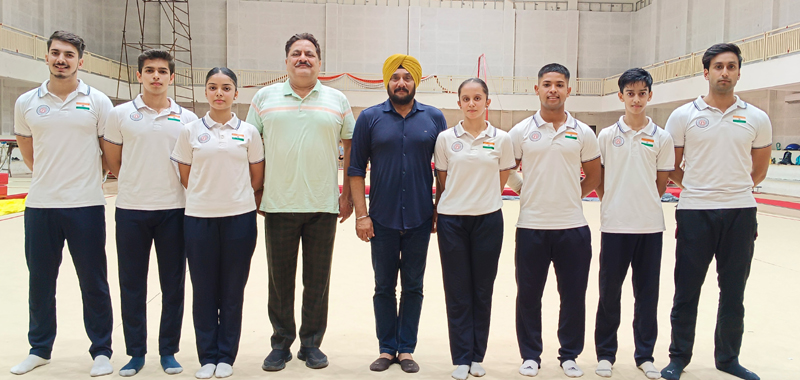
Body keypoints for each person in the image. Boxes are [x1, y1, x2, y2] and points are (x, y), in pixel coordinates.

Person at [661, 43, 771, 380]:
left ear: (739, 72)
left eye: (731, 66)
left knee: (734, 291)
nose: (725, 72)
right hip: (696, 211)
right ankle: (678, 357)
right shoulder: (683, 116)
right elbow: (671, 166)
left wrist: (732, 188)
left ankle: (728, 358)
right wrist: (698, 185)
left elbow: (760, 170)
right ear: (706, 72)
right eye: (718, 67)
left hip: (740, 212)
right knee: (687, 289)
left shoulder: (757, 117)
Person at [246, 33, 355, 371]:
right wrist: (257, 191)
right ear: (286, 61)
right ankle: (281, 343)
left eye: (309, 53)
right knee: (280, 281)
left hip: (323, 205)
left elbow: (351, 145)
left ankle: (311, 344)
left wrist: (347, 195)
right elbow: (251, 146)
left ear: (320, 62)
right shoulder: (264, 98)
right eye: (296, 53)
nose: (303, 58)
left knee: (317, 280)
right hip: (278, 205)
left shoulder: (337, 100)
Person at [11, 30, 115, 377]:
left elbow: (107, 152)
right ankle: (39, 349)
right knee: (40, 281)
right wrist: (52, 178)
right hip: (41, 207)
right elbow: (29, 152)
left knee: (93, 281)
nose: (61, 59)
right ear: (47, 57)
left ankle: (101, 350)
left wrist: (82, 177)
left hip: (85, 205)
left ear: (80, 61)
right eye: (56, 53)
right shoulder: (27, 102)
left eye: (69, 55)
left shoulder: (98, 101)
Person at [349, 54, 447, 373]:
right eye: (395, 77)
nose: (401, 82)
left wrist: (437, 209)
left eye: (407, 77)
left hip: (420, 219)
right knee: (383, 287)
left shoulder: (434, 118)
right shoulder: (369, 118)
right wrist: (362, 215)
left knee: (414, 287)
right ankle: (387, 347)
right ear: (386, 81)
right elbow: (354, 169)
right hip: (382, 220)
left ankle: (406, 349)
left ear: (416, 82)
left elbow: (444, 171)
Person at [103, 49, 198, 377]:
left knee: (173, 285)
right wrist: (135, 182)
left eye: (162, 71)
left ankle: (168, 351)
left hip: (175, 210)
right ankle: (135, 353)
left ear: (172, 77)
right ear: (139, 75)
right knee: (132, 284)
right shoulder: (121, 115)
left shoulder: (187, 119)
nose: (156, 76)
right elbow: (113, 162)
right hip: (131, 211)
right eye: (149, 71)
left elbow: (191, 164)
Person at [170, 67, 265, 379]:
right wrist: (206, 196)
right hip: (199, 219)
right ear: (205, 93)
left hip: (239, 219)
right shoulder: (190, 131)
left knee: (232, 290)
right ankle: (207, 356)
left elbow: (256, 178)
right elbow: (186, 175)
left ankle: (226, 356)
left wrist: (233, 198)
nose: (219, 94)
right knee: (205, 290)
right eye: (213, 88)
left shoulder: (249, 132)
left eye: (226, 88)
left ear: (236, 94)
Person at [508, 63, 601, 378]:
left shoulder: (583, 132)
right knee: (529, 295)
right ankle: (531, 355)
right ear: (537, 89)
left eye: (559, 84)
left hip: (572, 227)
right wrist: (524, 189)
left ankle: (569, 355)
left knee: (573, 295)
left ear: (568, 90)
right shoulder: (520, 131)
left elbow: (594, 174)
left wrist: (573, 196)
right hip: (532, 226)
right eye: (547, 84)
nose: (553, 90)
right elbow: (507, 166)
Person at [593, 68, 674, 379]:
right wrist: (615, 201)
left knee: (647, 294)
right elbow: (599, 181)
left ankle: (645, 355)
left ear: (650, 96)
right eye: (631, 93)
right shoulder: (605, 136)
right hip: (614, 227)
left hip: (650, 228)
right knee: (609, 293)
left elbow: (661, 184)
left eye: (642, 93)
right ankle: (605, 354)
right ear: (621, 96)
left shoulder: (662, 137)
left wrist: (641, 204)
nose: (636, 99)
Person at [433, 78, 515, 380]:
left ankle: (477, 355)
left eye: (477, 98)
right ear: (459, 103)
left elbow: (502, 176)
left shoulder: (502, 139)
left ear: (487, 102)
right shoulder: (445, 139)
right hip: (452, 221)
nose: (471, 104)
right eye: (466, 99)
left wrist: (481, 198)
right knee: (457, 291)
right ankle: (461, 357)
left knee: (482, 290)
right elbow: (443, 179)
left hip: (488, 220)